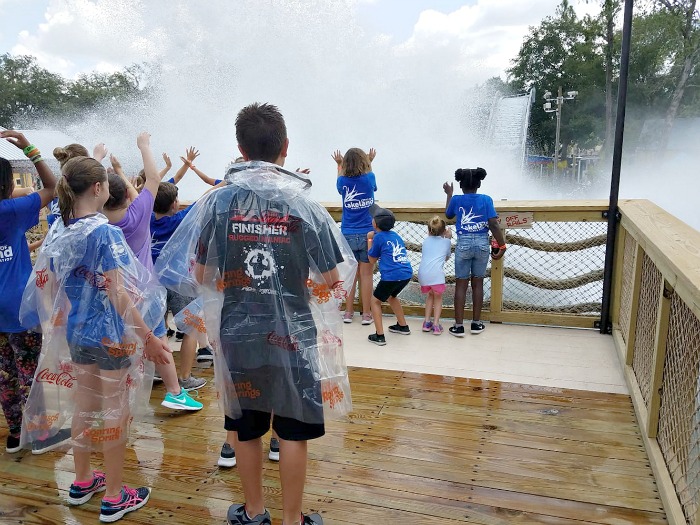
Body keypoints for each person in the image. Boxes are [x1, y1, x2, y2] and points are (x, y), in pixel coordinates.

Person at [154, 102, 355, 525]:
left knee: (245, 428)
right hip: (294, 334)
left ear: (240, 150)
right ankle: (294, 518)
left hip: (237, 335)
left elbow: (201, 274)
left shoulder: (219, 204)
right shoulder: (305, 206)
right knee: (294, 428)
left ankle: (253, 511)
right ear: (285, 146)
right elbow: (334, 277)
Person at [20, 154, 172, 522]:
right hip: (111, 336)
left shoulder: (60, 226)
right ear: (99, 188)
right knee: (115, 410)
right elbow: (119, 294)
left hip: (78, 332)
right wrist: (149, 337)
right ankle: (116, 495)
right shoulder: (104, 232)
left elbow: (53, 286)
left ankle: (84, 478)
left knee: (84, 405)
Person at [103, 133, 202, 411]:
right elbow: (153, 182)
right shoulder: (138, 216)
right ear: (126, 195)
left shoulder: (96, 222)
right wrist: (145, 146)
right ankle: (174, 392)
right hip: (145, 293)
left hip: (113, 294)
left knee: (119, 344)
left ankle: (116, 398)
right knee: (159, 339)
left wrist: (113, 168)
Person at [0, 131, 57, 453]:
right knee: (29, 370)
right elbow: (50, 187)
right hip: (18, 306)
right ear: (8, 185)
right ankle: (39, 435)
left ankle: (13, 434)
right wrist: (30, 149)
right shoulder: (11, 211)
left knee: (5, 372)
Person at [443, 167, 506, 336]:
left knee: (461, 285)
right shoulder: (486, 199)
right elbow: (493, 224)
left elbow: (448, 215)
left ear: (461, 185)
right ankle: (476, 323)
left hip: (463, 243)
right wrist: (502, 245)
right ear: (479, 184)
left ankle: (458, 326)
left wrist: (449, 194)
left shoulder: (457, 199)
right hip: (481, 243)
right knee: (477, 283)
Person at [332, 147, 377, 325]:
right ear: (364, 163)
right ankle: (366, 314)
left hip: (348, 233)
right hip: (368, 234)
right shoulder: (369, 178)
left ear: (346, 165)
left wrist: (338, 165)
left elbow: (339, 185)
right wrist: (371, 162)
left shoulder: (343, 181)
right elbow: (372, 184)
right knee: (366, 276)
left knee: (350, 275)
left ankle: (348, 313)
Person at [366, 207, 414, 345]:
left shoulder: (378, 237)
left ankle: (379, 335)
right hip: (405, 274)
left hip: (391, 276)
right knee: (391, 296)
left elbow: (371, 260)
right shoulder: (395, 235)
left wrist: (369, 240)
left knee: (374, 301)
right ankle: (403, 326)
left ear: (375, 224)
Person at [417, 216, 452, 335]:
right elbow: (446, 257)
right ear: (444, 230)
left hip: (423, 274)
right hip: (436, 275)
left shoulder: (425, 241)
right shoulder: (446, 242)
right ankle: (436, 325)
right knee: (438, 297)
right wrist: (448, 237)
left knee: (430, 296)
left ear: (429, 230)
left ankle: (427, 322)